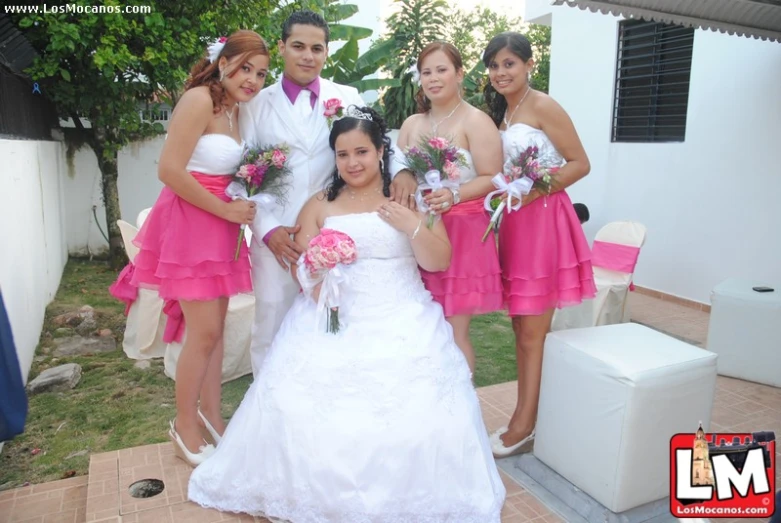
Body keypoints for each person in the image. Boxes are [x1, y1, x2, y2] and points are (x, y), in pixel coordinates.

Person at [187, 106, 506, 522]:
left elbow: (439, 261)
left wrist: (412, 224)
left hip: (401, 314)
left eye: (362, 152)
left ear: (380, 151)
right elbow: (301, 265)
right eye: (342, 154)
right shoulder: (321, 203)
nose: (352, 163)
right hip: (332, 312)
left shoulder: (408, 197)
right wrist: (317, 271)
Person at [240, 10, 418, 378]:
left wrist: (402, 171)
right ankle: (268, 403)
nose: (308, 56)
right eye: (299, 46)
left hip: (332, 232)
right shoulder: (255, 104)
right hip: (276, 235)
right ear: (282, 47)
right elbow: (243, 175)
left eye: (317, 48)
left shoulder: (346, 96)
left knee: (330, 317)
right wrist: (268, 230)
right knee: (272, 317)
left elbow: (379, 141)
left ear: (326, 52)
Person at [129, 31, 268, 466]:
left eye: (261, 73)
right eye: (245, 67)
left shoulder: (235, 110)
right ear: (222, 61)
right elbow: (169, 169)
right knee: (203, 332)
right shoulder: (198, 101)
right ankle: (183, 424)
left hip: (222, 230)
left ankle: (210, 416)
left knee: (217, 332)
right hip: (192, 223)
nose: (252, 79)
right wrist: (225, 212)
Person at [482, 32, 597, 457]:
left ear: (530, 64)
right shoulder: (507, 111)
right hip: (516, 222)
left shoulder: (543, 105)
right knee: (521, 327)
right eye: (493, 65)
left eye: (508, 63)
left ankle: (524, 426)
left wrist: (534, 189)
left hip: (544, 219)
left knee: (532, 331)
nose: (499, 73)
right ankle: (530, 416)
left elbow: (580, 163)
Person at [395, 41, 504, 374]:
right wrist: (404, 176)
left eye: (441, 70)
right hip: (418, 232)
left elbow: (494, 177)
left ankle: (461, 409)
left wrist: (454, 195)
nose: (433, 79)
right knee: (420, 326)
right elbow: (397, 169)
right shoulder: (412, 123)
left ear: (459, 74)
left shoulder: (476, 121)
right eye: (426, 72)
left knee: (453, 329)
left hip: (463, 234)